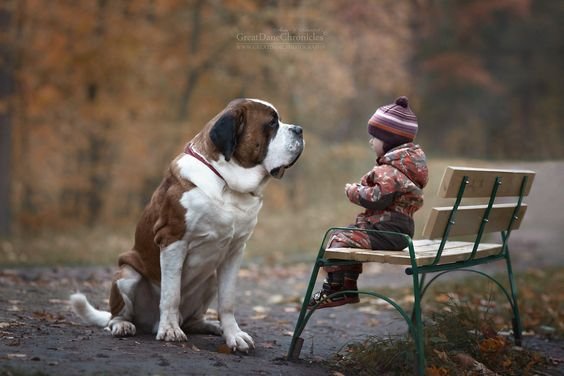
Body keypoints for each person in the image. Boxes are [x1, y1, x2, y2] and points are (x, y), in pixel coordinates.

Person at [309, 96, 428, 309]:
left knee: (337, 238)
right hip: (401, 232)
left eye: (374, 137)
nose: (371, 141)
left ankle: (337, 290)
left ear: (389, 141)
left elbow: (378, 198)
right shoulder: (407, 169)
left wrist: (354, 191)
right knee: (348, 234)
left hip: (386, 230)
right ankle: (346, 289)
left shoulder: (389, 170)